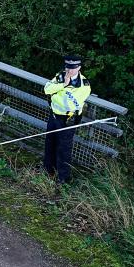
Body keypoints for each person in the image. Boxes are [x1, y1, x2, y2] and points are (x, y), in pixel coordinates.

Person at [43, 55, 92, 184]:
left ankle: (63, 177)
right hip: (54, 115)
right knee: (50, 143)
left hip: (68, 119)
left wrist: (57, 92)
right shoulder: (60, 77)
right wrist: (63, 85)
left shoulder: (84, 85)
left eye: (72, 68)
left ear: (79, 68)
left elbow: (69, 104)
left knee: (63, 148)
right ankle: (48, 170)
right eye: (67, 67)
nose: (69, 71)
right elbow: (47, 89)